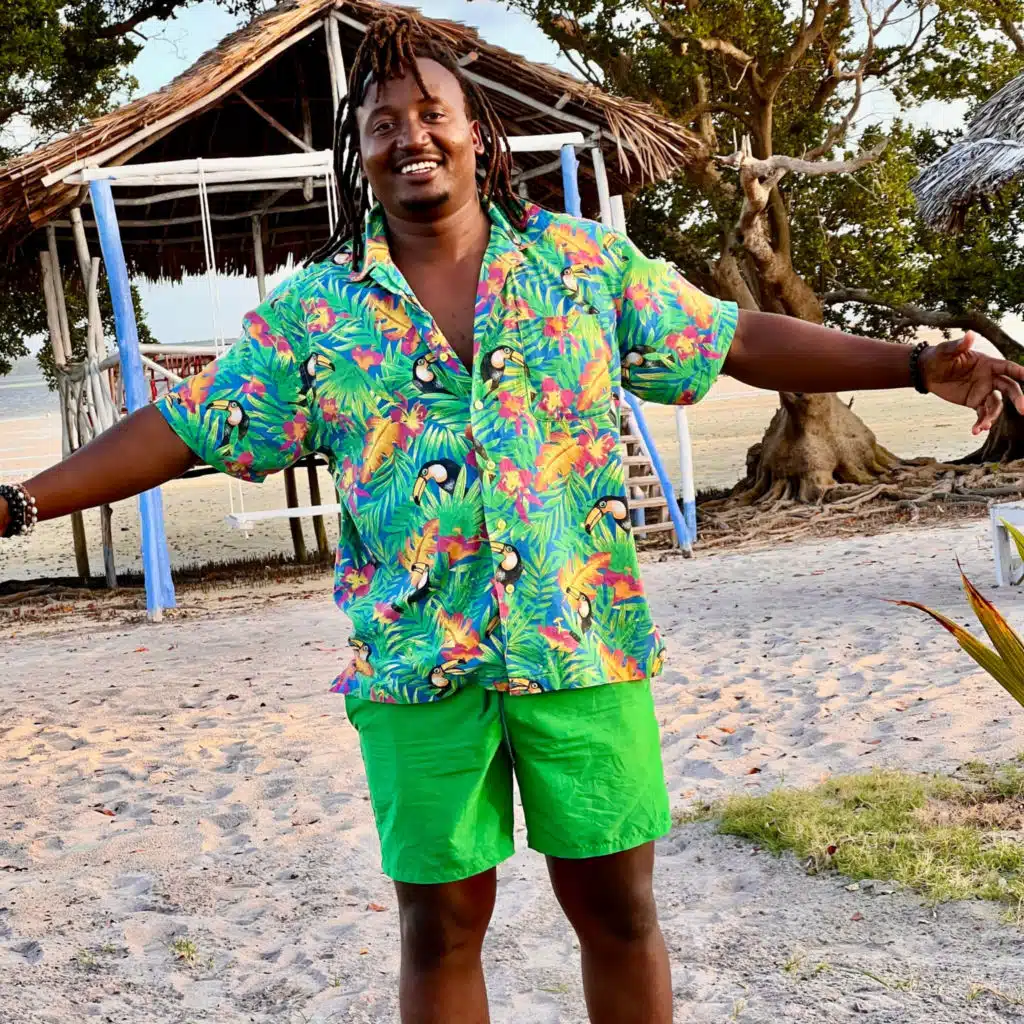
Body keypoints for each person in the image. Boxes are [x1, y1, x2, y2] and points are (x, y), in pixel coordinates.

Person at [3, 15, 1023, 1024]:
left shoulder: (581, 266)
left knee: (618, 913)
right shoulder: (316, 311)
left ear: (478, 133)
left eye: (431, 114)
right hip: (417, 663)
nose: (410, 136)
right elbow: (185, 424)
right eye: (382, 123)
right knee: (439, 928)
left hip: (583, 643)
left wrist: (910, 363)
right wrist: (20, 502)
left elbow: (735, 339)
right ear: (357, 154)